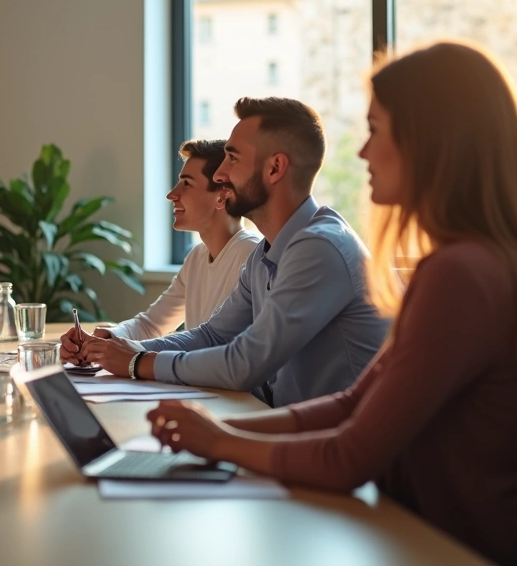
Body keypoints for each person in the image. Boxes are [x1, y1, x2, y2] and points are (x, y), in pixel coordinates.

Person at [144, 41, 517, 565]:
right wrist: (216, 430)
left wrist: (219, 443)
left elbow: (348, 455)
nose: (362, 153)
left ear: (430, 143)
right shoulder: (480, 263)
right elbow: (352, 404)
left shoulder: (461, 276)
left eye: (375, 131)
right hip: (411, 531)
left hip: (441, 548)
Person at [65, 97, 389, 407]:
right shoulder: (266, 252)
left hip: (332, 450)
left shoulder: (320, 247)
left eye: (232, 159)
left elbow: (243, 363)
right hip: (286, 430)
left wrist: (137, 361)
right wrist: (113, 351)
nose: (220, 175)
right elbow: (211, 336)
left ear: (275, 168)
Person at [60, 139, 258, 358]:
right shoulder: (197, 257)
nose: (172, 194)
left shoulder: (250, 256)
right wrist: (105, 339)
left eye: (186, 184)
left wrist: (129, 352)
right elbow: (151, 325)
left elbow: (228, 352)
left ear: (221, 196)